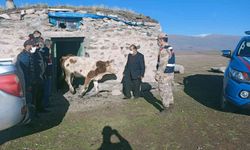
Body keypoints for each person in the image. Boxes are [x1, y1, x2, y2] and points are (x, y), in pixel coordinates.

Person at [16, 40, 36, 119]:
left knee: (30, 99)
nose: (33, 47)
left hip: (30, 81)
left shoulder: (28, 55)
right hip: (26, 83)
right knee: (28, 100)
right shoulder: (24, 56)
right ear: (28, 46)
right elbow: (24, 72)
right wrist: (28, 84)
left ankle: (30, 116)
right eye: (32, 45)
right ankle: (28, 118)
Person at [155, 33, 175, 111]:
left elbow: (162, 64)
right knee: (169, 89)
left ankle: (166, 107)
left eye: (158, 40)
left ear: (161, 40)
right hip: (170, 73)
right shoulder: (170, 48)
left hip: (164, 74)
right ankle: (170, 103)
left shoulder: (164, 50)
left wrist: (157, 75)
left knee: (163, 90)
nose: (157, 42)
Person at [41, 39, 53, 108]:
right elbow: (45, 64)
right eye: (50, 45)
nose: (51, 46)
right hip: (47, 74)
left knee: (46, 89)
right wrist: (46, 73)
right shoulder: (46, 50)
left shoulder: (43, 50)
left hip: (47, 73)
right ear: (48, 44)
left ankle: (46, 103)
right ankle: (45, 104)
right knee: (47, 90)